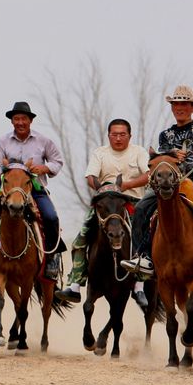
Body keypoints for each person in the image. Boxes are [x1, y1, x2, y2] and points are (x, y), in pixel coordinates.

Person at [122, 86, 193, 279]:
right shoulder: (166, 135)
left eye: (184, 104)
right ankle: (143, 256)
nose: (179, 107)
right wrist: (171, 155)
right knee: (141, 208)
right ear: (172, 108)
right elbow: (160, 159)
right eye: (176, 104)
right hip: (173, 181)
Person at [0, 101, 65, 280]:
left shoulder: (43, 141)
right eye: (16, 119)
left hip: (35, 190)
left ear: (30, 121)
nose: (20, 122)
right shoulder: (2, 142)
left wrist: (44, 169)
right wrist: (6, 180)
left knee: (51, 217)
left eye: (23, 118)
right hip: (8, 192)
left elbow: (57, 161)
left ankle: (51, 258)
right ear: (12, 121)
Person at [62, 119, 151, 304]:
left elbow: (148, 174)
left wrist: (128, 185)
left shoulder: (139, 152)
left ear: (129, 136)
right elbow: (90, 176)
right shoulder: (100, 153)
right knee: (81, 239)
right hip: (105, 202)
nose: (118, 138)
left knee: (143, 238)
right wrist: (101, 187)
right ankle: (75, 284)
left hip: (132, 202)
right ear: (109, 135)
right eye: (114, 134)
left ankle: (139, 286)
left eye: (122, 134)